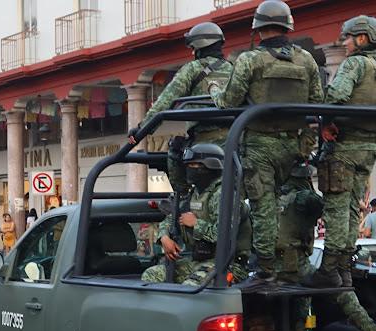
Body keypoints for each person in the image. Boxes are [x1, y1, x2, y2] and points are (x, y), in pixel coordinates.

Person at [208, 0, 324, 283]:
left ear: (258, 29)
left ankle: (266, 269)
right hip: (292, 146)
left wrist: (213, 88)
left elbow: (228, 102)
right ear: (287, 25)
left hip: (260, 146)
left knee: (263, 207)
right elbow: (318, 102)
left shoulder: (250, 60)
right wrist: (304, 143)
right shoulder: (306, 59)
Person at [309, 15, 376, 288]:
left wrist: (325, 123)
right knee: (352, 210)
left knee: (337, 209)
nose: (345, 43)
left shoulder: (356, 63)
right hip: (368, 149)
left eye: (348, 38)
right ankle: (344, 269)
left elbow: (336, 96)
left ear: (362, 39)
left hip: (345, 148)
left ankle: (328, 270)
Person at [128, 22, 232, 193]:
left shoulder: (193, 68)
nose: (192, 52)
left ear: (199, 46)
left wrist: (142, 129)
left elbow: (166, 101)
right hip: (235, 140)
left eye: (193, 47)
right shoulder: (233, 68)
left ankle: (182, 200)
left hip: (203, 140)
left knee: (175, 150)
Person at [141, 144, 251, 285]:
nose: (189, 169)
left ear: (209, 167)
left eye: (193, 165)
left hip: (228, 265)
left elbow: (225, 234)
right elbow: (171, 219)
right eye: (188, 165)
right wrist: (164, 237)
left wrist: (196, 223)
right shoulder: (195, 194)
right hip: (198, 261)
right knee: (151, 276)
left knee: (191, 288)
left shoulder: (224, 195)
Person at [274, 164, 323, 331]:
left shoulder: (276, 198)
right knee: (308, 294)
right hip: (295, 264)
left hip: (271, 264)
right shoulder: (301, 198)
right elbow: (318, 204)